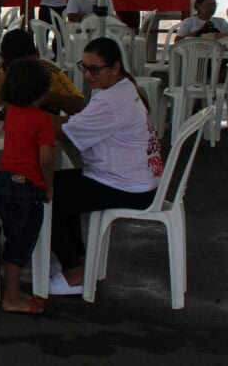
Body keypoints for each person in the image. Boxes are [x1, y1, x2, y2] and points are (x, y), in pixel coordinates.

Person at [48, 37, 163, 296]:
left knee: (44, 193)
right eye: (84, 67)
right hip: (136, 179)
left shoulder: (111, 101)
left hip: (127, 186)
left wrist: (28, 115)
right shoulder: (125, 86)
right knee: (59, 185)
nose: (88, 75)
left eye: (95, 69)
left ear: (115, 67)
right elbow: (80, 122)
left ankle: (75, 273)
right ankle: (76, 260)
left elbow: (67, 131)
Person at [0, 59, 55, 314]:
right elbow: (46, 159)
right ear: (42, 90)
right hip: (27, 187)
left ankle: (14, 292)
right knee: (21, 243)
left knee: (12, 238)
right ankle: (12, 297)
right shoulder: (43, 120)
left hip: (3, 182)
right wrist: (49, 187)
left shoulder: (12, 113)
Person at [0, 29, 86, 116]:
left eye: (29, 66)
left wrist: (49, 96)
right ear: (2, 58)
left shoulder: (49, 72)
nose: (21, 73)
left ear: (36, 57)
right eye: (14, 68)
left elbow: (81, 107)